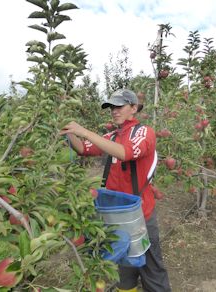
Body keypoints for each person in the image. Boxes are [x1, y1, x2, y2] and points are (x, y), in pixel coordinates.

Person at [59, 89, 171, 292]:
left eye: (119, 106)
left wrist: (84, 131)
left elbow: (126, 152)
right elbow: (83, 149)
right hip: (115, 216)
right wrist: (68, 132)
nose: (114, 111)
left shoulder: (144, 132)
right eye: (111, 107)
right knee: (124, 270)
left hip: (140, 216)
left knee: (151, 269)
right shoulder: (111, 136)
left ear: (134, 108)